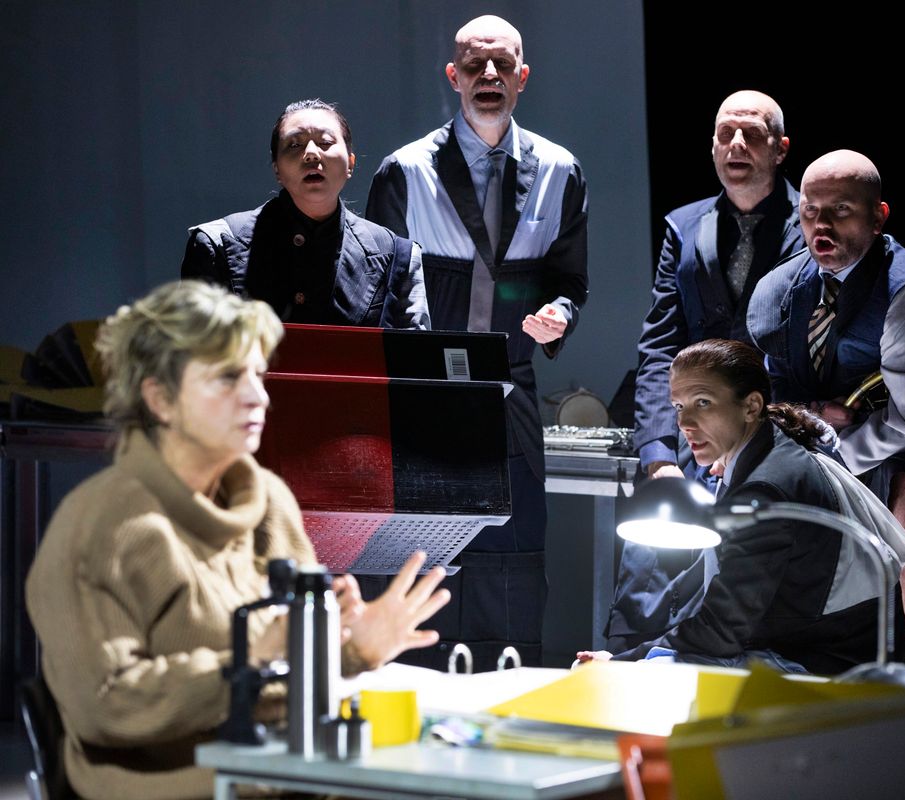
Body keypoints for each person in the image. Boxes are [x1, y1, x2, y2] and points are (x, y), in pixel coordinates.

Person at [25, 281, 450, 800]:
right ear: (159, 398)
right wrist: (252, 655)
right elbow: (105, 706)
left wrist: (353, 650)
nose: (258, 396)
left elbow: (290, 676)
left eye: (257, 374)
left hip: (289, 773)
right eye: (228, 377)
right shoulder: (100, 527)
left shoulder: (269, 502)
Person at [366, 15, 588, 668]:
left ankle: (506, 696)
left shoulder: (559, 170)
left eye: (502, 65)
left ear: (523, 76)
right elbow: (379, 296)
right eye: (474, 64)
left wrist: (559, 313)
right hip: (424, 399)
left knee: (513, 556)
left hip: (510, 392)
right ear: (454, 76)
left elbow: (570, 281)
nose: (488, 75)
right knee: (419, 558)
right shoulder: (406, 171)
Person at [747, 150, 905, 673]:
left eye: (840, 210)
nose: (821, 226)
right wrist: (810, 421)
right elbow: (773, 395)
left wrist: (828, 454)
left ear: (878, 216)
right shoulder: (778, 290)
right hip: (823, 433)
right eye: (810, 211)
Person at [580, 339, 905, 673]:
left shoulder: (766, 490)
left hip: (835, 668)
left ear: (751, 406)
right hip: (814, 646)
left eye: (703, 402)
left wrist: (621, 663)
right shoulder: (770, 448)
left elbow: (720, 632)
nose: (684, 423)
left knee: (651, 678)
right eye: (679, 406)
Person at [608, 90, 804, 653]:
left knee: (742, 595)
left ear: (780, 148)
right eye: (725, 134)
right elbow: (658, 347)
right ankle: (628, 674)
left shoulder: (807, 225)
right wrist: (658, 456)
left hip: (766, 439)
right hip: (689, 442)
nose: (736, 145)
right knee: (648, 581)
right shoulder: (684, 225)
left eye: (752, 134)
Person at [181, 98, 429, 330]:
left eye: (325, 143)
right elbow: (195, 352)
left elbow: (414, 358)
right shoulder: (217, 244)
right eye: (294, 145)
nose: (311, 153)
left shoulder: (398, 256)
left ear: (350, 163)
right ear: (276, 168)